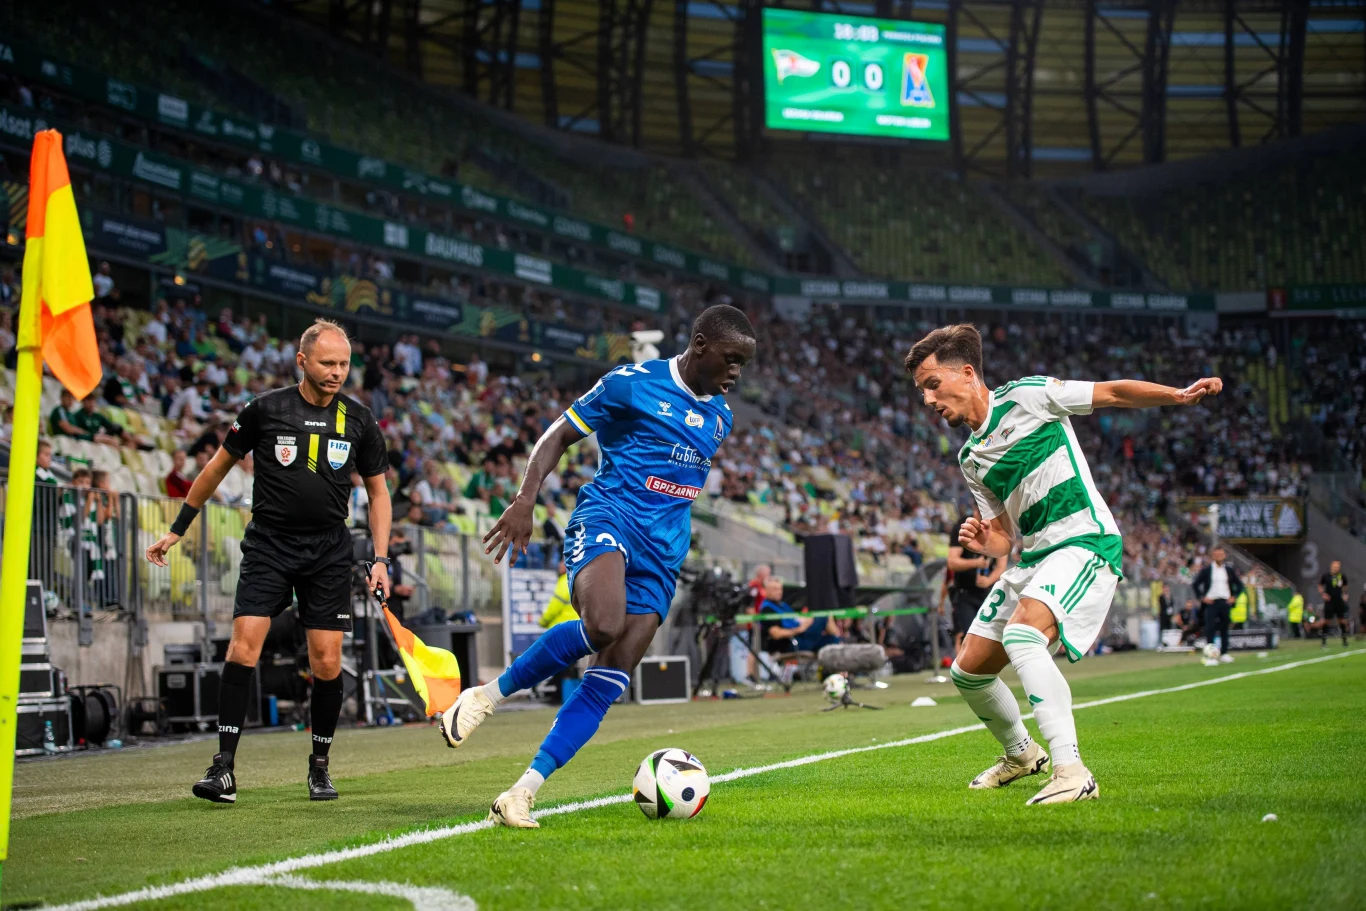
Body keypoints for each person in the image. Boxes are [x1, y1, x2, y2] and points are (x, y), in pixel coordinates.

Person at [437, 304, 756, 828]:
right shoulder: (631, 385)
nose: (736, 371)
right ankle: (485, 697)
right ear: (700, 345)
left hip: (664, 554)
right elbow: (557, 436)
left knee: (610, 678)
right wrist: (524, 499)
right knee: (603, 624)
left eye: (744, 362)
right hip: (609, 518)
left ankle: (521, 792)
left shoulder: (721, 416)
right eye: (731, 358)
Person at [906, 323, 1221, 805]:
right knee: (967, 671)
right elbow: (1004, 538)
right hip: (1034, 557)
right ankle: (1021, 754)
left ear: (967, 374)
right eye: (922, 391)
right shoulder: (971, 459)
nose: (928, 400)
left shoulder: (1028, 397)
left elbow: (1112, 393)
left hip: (1083, 541)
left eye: (932, 385)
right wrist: (985, 540)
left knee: (1022, 636)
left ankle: (1072, 771)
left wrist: (1177, 395)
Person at [146, 319, 392, 805]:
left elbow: (379, 493)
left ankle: (319, 767)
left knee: (327, 661)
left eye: (344, 364)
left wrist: (381, 558)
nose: (337, 372)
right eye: (327, 363)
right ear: (302, 361)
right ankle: (223, 768)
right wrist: (177, 529)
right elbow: (216, 468)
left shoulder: (360, 420)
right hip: (269, 546)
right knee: (243, 648)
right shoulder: (265, 409)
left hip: (328, 552)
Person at [947, 525, 1005, 655]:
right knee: (965, 634)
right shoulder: (963, 527)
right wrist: (976, 563)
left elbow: (1001, 565)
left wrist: (988, 580)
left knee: (987, 635)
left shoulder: (998, 530)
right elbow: (951, 564)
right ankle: (962, 663)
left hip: (987, 595)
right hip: (964, 593)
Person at [1192, 547, 1242, 661]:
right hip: (1211, 603)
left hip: (1225, 602)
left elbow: (1239, 585)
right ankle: (1210, 655)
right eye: (1216, 554)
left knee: (1224, 628)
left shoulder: (1229, 570)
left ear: (1224, 556)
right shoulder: (1207, 570)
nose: (1218, 556)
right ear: (1213, 556)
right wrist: (1202, 597)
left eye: (1221, 554)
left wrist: (1234, 597)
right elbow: (1195, 584)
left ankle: (1224, 653)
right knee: (1210, 628)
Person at [1316, 561, 1349, 648]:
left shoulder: (1341, 576)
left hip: (1339, 601)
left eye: (1337, 567)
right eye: (1335, 567)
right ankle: (1324, 642)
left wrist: (1345, 594)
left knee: (1341, 620)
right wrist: (1323, 594)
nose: (1336, 568)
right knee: (1326, 620)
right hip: (1329, 602)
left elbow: (1345, 586)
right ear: (1331, 567)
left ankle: (1344, 641)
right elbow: (1320, 585)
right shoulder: (1326, 576)